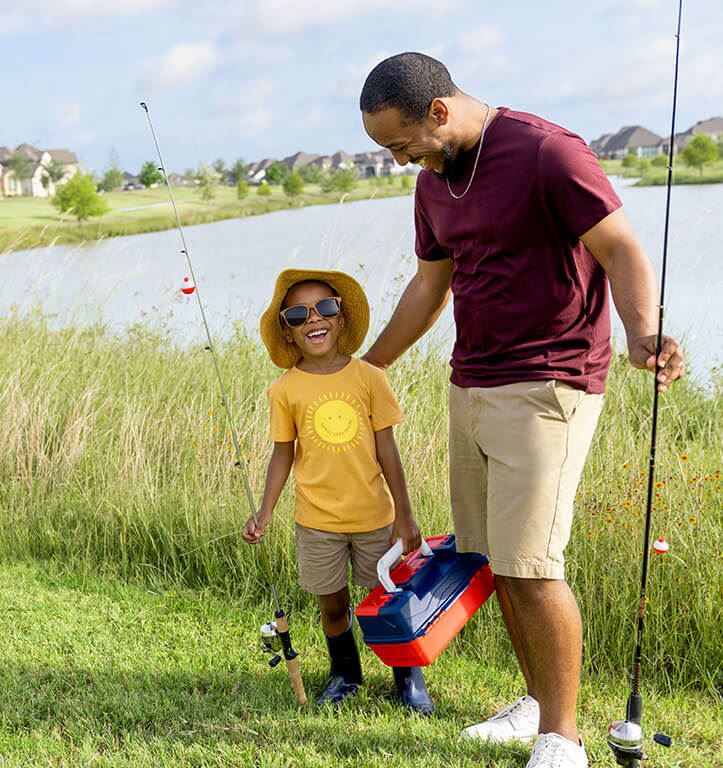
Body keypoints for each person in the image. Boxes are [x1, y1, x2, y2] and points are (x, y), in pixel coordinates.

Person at [359, 53, 684, 768]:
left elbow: (621, 247)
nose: (397, 159)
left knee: (534, 565)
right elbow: (428, 286)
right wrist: (368, 366)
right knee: (495, 561)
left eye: (399, 142)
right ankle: (535, 706)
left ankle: (562, 740)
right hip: (469, 382)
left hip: (548, 383)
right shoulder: (432, 182)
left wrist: (638, 332)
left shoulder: (545, 152)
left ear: (438, 112)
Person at [242, 268, 435, 714]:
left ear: (341, 318)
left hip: (375, 519)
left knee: (389, 601)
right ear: (288, 333)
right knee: (333, 608)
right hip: (317, 523)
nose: (314, 319)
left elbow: (389, 452)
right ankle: (345, 673)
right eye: (298, 314)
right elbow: (282, 454)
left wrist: (404, 516)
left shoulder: (368, 377)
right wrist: (265, 511)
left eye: (325, 307)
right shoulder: (285, 389)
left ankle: (408, 678)